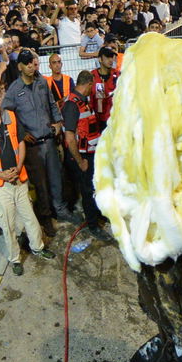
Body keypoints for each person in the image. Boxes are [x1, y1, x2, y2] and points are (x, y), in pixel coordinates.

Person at [0, 86, 54, 276]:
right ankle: (15, 259)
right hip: (0, 185)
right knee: (7, 225)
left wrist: (17, 168)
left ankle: (38, 247)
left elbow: (20, 143)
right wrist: (1, 175)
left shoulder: (10, 117)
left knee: (29, 217)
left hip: (18, 179)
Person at [2, 49, 73, 231]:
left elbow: (51, 103)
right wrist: (20, 131)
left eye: (32, 63)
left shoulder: (42, 82)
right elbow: (6, 114)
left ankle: (60, 209)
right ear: (20, 66)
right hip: (32, 146)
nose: (31, 67)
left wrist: (58, 122)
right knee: (40, 183)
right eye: (27, 64)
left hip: (49, 139)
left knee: (56, 177)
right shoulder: (14, 90)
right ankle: (46, 216)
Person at [61, 70, 107, 243]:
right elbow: (70, 137)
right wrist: (80, 162)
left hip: (89, 154)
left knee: (93, 189)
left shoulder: (82, 100)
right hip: (81, 157)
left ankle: (97, 215)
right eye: (91, 86)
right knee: (87, 191)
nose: (92, 90)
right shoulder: (72, 105)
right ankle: (93, 225)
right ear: (87, 84)